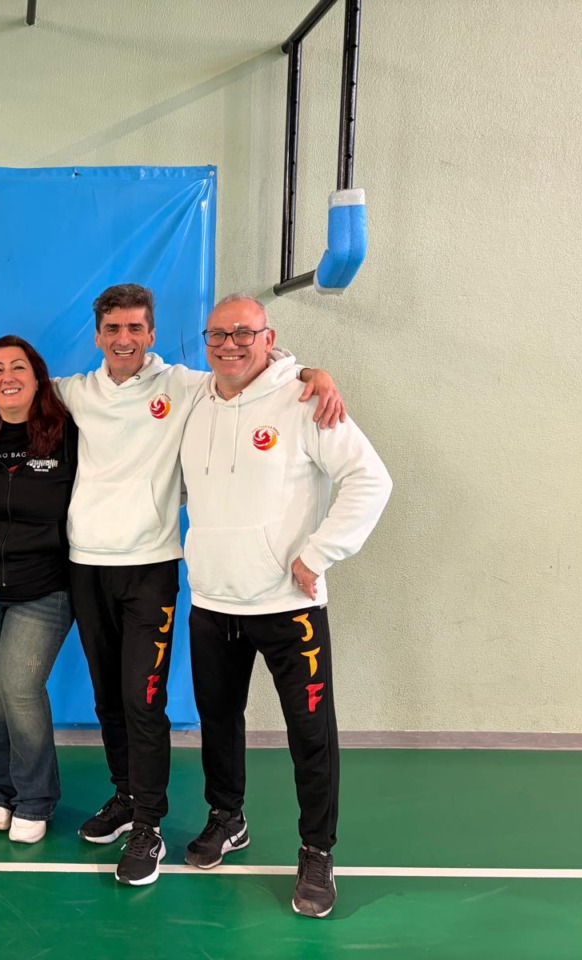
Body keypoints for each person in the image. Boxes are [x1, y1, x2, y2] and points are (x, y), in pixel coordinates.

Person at [53, 283, 346, 886]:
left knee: (145, 701)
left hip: (161, 569)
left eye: (136, 328)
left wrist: (310, 372)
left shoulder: (187, 386)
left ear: (153, 334)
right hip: (106, 569)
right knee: (117, 700)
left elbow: (255, 364)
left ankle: (157, 827)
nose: (125, 339)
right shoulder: (79, 392)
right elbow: (15, 383)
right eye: (114, 329)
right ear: (98, 335)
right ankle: (136, 798)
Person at [179, 294, 392, 917]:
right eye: (218, 334)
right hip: (212, 600)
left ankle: (317, 850)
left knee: (310, 733)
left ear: (269, 338)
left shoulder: (305, 399)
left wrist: (318, 554)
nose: (230, 345)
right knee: (218, 721)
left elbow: (371, 479)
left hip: (288, 604)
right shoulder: (193, 399)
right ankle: (227, 817)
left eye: (244, 333)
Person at [0, 336, 78, 844]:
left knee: (20, 688)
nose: (8, 376)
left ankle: (35, 798)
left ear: (37, 375)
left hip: (43, 587)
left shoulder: (66, 430)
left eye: (18, 366)